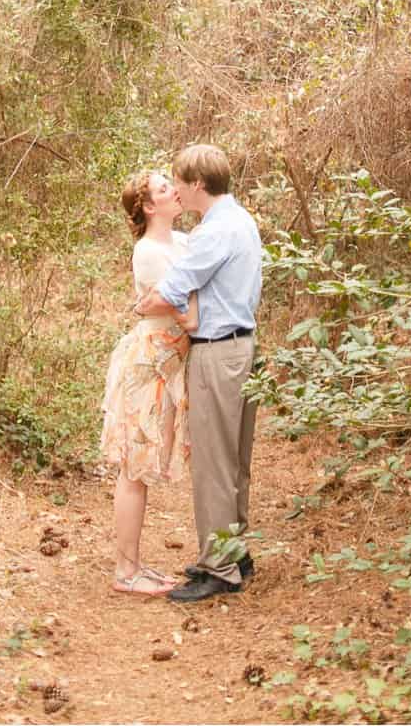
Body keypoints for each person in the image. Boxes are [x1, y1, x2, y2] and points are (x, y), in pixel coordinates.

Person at [135, 143, 263, 603]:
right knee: (233, 458)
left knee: (213, 462)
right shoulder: (240, 220)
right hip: (242, 347)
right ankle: (234, 552)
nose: (179, 192)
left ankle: (220, 568)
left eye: (180, 183)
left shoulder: (213, 232)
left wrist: (143, 304)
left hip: (218, 352)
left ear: (197, 184)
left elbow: (169, 289)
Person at [100, 170, 198, 596]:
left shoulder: (183, 242)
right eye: (163, 189)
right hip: (148, 366)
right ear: (148, 207)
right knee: (134, 467)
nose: (174, 191)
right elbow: (186, 312)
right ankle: (125, 572)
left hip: (168, 363)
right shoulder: (148, 252)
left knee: (141, 467)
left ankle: (135, 564)